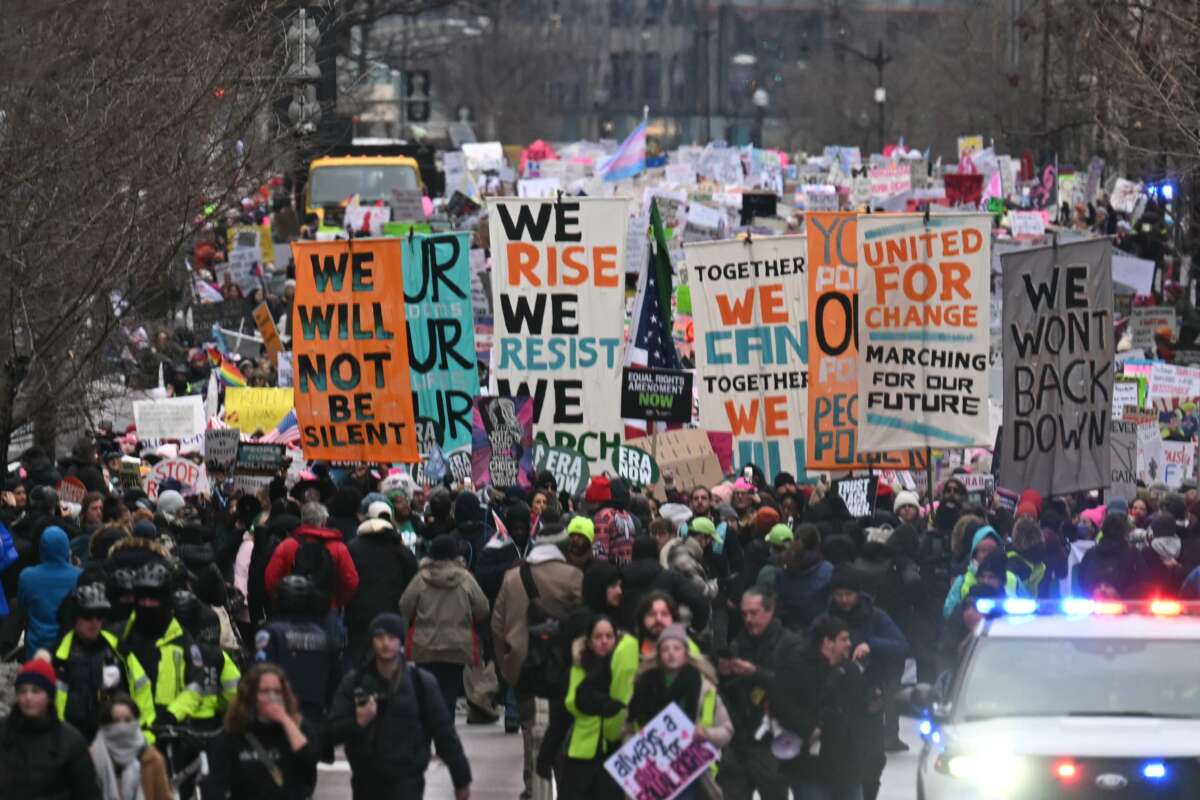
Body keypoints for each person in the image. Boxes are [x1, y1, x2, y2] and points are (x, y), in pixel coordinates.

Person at [328, 613, 472, 799]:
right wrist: (357, 722)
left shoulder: (420, 682)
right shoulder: (355, 682)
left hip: (407, 780)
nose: (385, 643)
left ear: (401, 642)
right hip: (367, 780)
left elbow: (444, 732)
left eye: (391, 637)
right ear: (371, 641)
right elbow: (331, 731)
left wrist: (461, 779)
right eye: (379, 637)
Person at [492, 524, 582, 797]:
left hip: (523, 664)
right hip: (565, 666)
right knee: (564, 729)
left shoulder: (512, 576)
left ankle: (534, 788)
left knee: (531, 729)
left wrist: (506, 665)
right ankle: (566, 787)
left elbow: (497, 625)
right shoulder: (573, 576)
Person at [717, 587, 805, 800]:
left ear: (770, 611)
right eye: (744, 614)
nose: (748, 619)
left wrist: (756, 673)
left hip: (772, 739)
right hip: (739, 741)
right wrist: (724, 674)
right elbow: (727, 694)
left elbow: (795, 687)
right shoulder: (737, 644)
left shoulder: (790, 644)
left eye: (754, 613)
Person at [627, 624, 732, 800]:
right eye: (665, 649)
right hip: (650, 773)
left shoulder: (704, 689)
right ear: (658, 654)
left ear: (686, 653)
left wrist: (705, 733)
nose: (671, 653)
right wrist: (634, 749)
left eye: (677, 648)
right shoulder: (643, 685)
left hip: (688, 771)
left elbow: (726, 730)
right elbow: (627, 726)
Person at [828, 566, 909, 794]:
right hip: (835, 698)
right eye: (839, 595)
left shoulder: (875, 616)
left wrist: (871, 645)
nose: (844, 600)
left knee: (872, 759)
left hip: (869, 697)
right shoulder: (826, 616)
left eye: (848, 594)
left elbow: (901, 645)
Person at [774, 614, 871, 800]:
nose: (850, 644)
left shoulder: (850, 670)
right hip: (810, 769)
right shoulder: (796, 668)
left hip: (848, 769)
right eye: (844, 639)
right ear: (827, 642)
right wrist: (810, 728)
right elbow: (782, 707)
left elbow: (862, 708)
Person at [399, 534, 490, 715]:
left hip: (425, 645)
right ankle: (445, 730)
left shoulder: (421, 578)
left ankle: (427, 732)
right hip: (456, 645)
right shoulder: (465, 579)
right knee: (448, 693)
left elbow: (405, 606)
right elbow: (483, 608)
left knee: (425, 691)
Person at [203, 664, 318, 800]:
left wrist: (285, 720)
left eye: (277, 692)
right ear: (251, 696)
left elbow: (310, 758)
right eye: (264, 691)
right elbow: (216, 786)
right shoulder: (233, 734)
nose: (272, 697)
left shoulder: (297, 728)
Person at [118, 561, 204, 729]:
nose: (147, 604)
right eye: (142, 598)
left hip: (170, 730)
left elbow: (196, 684)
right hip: (126, 731)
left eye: (153, 598)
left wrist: (173, 714)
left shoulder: (181, 638)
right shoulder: (120, 636)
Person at [0, 656, 100, 799]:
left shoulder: (70, 742)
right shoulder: (3, 731)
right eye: (22, 691)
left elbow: (87, 793)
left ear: (49, 696)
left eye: (36, 691)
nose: (28, 697)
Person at [561, 615, 631, 799]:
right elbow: (572, 702)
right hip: (583, 751)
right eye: (598, 637)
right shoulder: (579, 665)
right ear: (589, 641)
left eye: (609, 636)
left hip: (616, 748)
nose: (604, 641)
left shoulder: (622, 667)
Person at [255, 575, 341, 721]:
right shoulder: (325, 637)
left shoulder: (270, 634)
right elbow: (335, 681)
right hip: (315, 715)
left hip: (279, 713)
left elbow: (258, 674)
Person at [53, 582, 130, 741]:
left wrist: (142, 727)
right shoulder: (58, 654)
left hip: (113, 736)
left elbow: (141, 690)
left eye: (100, 615)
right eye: (87, 615)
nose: (94, 622)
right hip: (71, 738)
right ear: (75, 618)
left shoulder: (118, 649)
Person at [346, 504, 418, 661]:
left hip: (359, 616)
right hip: (392, 613)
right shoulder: (401, 550)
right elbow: (412, 580)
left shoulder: (352, 548)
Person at [264, 502, 359, 613]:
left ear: (302, 520)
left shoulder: (287, 545)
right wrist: (337, 601)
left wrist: (283, 600)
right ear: (324, 522)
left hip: (293, 608)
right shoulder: (338, 548)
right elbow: (351, 581)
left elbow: (271, 579)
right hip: (327, 609)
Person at [90, 693, 172, 800]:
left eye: (128, 720)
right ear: (107, 724)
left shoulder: (152, 759)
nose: (122, 727)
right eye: (116, 721)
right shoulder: (92, 758)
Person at [18, 525, 82, 658]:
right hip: (69, 651)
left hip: (36, 651)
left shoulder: (27, 576)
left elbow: (22, 610)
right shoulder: (79, 576)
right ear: (66, 548)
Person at [761, 523, 833, 632]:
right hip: (818, 631)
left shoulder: (781, 569)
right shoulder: (828, 570)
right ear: (818, 544)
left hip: (789, 631)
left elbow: (778, 603)